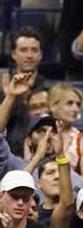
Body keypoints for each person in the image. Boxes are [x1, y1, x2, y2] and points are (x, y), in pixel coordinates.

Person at [0, 27, 49, 156]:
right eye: (23, 50)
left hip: (40, 155)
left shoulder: (48, 89)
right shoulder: (2, 85)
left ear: (41, 55)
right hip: (5, 155)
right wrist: (9, 96)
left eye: (34, 50)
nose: (29, 55)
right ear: (13, 54)